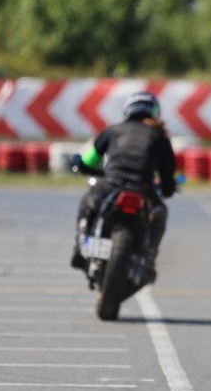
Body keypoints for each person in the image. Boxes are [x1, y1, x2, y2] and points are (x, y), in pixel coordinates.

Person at [70, 91, 176, 279]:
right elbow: (167, 183)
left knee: (87, 201)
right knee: (160, 212)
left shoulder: (113, 131)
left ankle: (81, 244)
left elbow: (87, 162)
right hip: (144, 189)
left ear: (127, 111)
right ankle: (148, 257)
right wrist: (167, 189)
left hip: (111, 184)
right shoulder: (161, 139)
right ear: (154, 113)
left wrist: (81, 164)